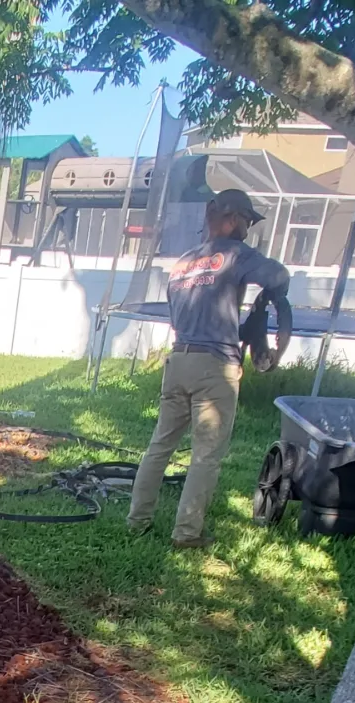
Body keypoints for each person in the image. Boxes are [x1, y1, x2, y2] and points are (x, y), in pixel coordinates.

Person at [127, 188, 291, 548]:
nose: (248, 228)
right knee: (206, 455)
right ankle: (187, 534)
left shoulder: (183, 262)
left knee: (159, 446)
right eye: (246, 220)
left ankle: (137, 520)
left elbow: (177, 314)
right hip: (215, 366)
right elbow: (278, 276)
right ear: (231, 219)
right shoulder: (237, 254)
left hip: (179, 359)